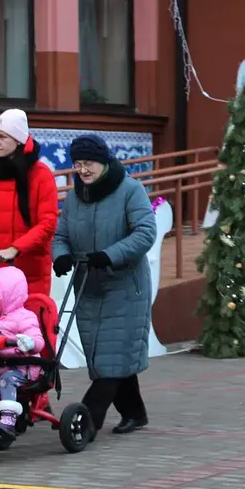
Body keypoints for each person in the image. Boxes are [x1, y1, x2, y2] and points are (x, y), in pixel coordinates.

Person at [52, 133, 157, 440]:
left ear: (104, 162)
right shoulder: (75, 197)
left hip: (126, 288)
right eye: (78, 164)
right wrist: (61, 257)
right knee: (105, 358)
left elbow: (145, 232)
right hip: (88, 287)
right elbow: (61, 237)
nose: (83, 170)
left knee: (111, 359)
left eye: (89, 164)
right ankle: (135, 413)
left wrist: (109, 255)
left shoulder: (130, 190)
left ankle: (85, 424)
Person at [0, 109, 59, 298]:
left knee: (27, 326)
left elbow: (48, 224)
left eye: (2, 137)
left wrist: (16, 248)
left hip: (31, 274)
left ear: (18, 140)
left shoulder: (41, 174)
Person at [0, 266, 45, 437]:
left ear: (9, 294)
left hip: (23, 368)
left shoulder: (24, 317)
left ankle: (8, 419)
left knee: (6, 380)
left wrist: (29, 342)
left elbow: (38, 341)